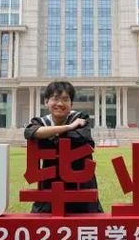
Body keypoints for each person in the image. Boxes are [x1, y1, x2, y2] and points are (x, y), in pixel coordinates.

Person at [24, 81, 103, 214]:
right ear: (46, 102)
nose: (60, 104)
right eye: (55, 99)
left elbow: (82, 138)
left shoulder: (81, 118)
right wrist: (68, 127)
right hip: (50, 185)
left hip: (80, 185)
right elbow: (30, 132)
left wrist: (49, 136)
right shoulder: (40, 121)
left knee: (86, 222)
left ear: (71, 104)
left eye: (65, 99)